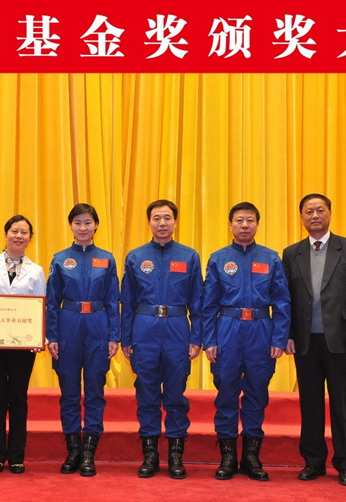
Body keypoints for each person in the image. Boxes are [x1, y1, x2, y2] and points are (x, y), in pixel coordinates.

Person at [202, 202, 290, 481]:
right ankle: (228, 457)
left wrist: (279, 338)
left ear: (257, 225)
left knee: (256, 392)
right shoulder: (218, 258)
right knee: (226, 391)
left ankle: (251, 457)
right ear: (230, 225)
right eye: (239, 220)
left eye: (250, 220)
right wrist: (209, 340)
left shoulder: (271, 258)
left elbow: (282, 302)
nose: (244, 225)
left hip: (261, 331)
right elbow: (208, 305)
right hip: (227, 330)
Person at [121, 199, 202, 479]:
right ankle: (150, 456)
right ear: (149, 223)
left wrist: (196, 337)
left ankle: (176, 457)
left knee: (176, 393)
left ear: (175, 222)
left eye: (167, 217)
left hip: (178, 329)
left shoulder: (189, 256)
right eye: (156, 218)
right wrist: (126, 339)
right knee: (147, 392)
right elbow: (127, 302)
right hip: (144, 329)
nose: (162, 223)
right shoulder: (135, 257)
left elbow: (198, 302)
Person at [46, 203, 120, 477]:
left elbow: (113, 300)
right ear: (71, 226)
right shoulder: (60, 259)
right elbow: (51, 302)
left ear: (96, 225)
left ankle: (89, 453)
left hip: (98, 325)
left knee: (94, 390)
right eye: (77, 222)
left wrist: (114, 336)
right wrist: (52, 336)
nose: (83, 227)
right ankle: (73, 451)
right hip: (68, 325)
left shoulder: (107, 259)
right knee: (68, 391)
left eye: (88, 222)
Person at [0, 215, 46, 475]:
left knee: (18, 398)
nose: (19, 236)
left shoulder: (36, 271)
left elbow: (41, 306)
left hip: (23, 346)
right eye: (14, 231)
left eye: (24, 232)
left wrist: (39, 337)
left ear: (30, 238)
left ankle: (16, 456)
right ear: (6, 234)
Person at [283, 193, 346, 486]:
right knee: (310, 403)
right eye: (309, 211)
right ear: (302, 218)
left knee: (342, 404)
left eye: (320, 210)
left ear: (330, 214)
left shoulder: (344, 247)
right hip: (305, 340)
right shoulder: (291, 253)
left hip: (340, 339)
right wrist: (288, 335)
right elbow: (285, 299)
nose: (315, 215)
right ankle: (313, 461)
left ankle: (344, 463)